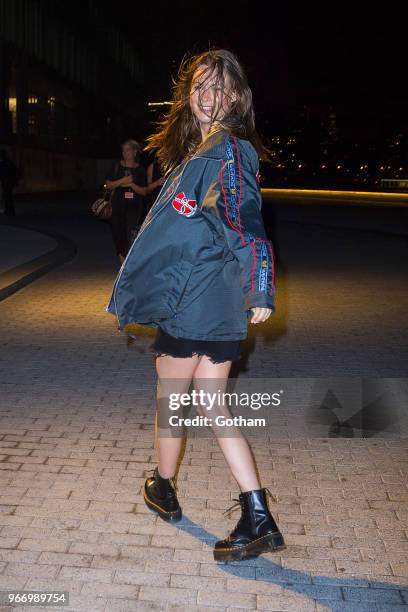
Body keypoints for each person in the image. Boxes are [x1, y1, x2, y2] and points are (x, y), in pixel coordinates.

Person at [106, 49, 285, 562]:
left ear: (236, 97)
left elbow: (244, 219)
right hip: (211, 297)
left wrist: (261, 288)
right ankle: (254, 511)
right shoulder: (204, 153)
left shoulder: (227, 152)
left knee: (172, 399)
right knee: (207, 401)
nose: (207, 97)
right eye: (199, 87)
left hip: (200, 299)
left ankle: (166, 487)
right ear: (189, 96)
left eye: (218, 87)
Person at [106, 140, 163, 263]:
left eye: (127, 150)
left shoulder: (140, 170)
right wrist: (123, 181)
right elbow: (109, 185)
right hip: (117, 207)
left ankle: (125, 266)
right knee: (118, 235)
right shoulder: (116, 166)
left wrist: (131, 184)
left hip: (135, 209)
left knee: (130, 237)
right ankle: (123, 264)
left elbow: (144, 192)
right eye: (123, 150)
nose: (125, 153)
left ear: (134, 152)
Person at [0, 149, 20, 216]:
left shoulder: (4, 163)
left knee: (7, 197)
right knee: (8, 197)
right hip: (8, 182)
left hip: (7, 182)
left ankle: (10, 211)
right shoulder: (8, 162)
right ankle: (9, 210)